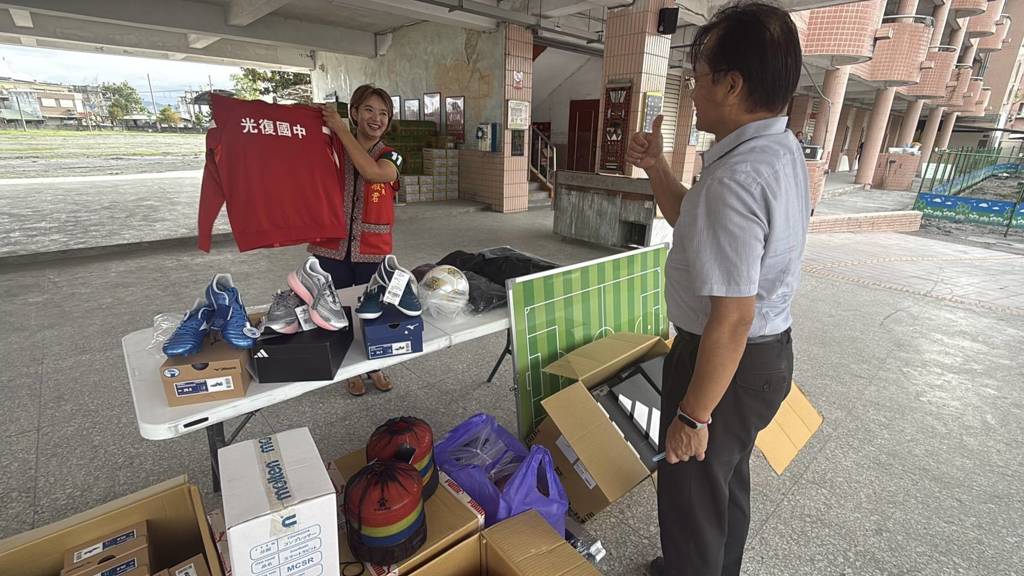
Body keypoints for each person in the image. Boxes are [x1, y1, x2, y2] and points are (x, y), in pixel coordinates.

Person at [625, 3, 808, 575]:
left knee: (690, 501)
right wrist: (657, 167)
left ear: (732, 84)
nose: (693, 89)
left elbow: (730, 318)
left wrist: (695, 415)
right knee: (723, 486)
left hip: (722, 361)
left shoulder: (738, 178)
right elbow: (694, 221)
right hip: (761, 358)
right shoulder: (777, 151)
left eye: (699, 75)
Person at [309, 84, 404, 396]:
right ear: (354, 113)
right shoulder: (329, 149)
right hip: (331, 246)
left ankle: (375, 365)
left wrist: (340, 130)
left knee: (372, 310)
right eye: (369, 110)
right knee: (338, 310)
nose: (376, 118)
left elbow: (376, 174)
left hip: (371, 250)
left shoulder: (392, 156)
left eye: (383, 113)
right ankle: (349, 370)